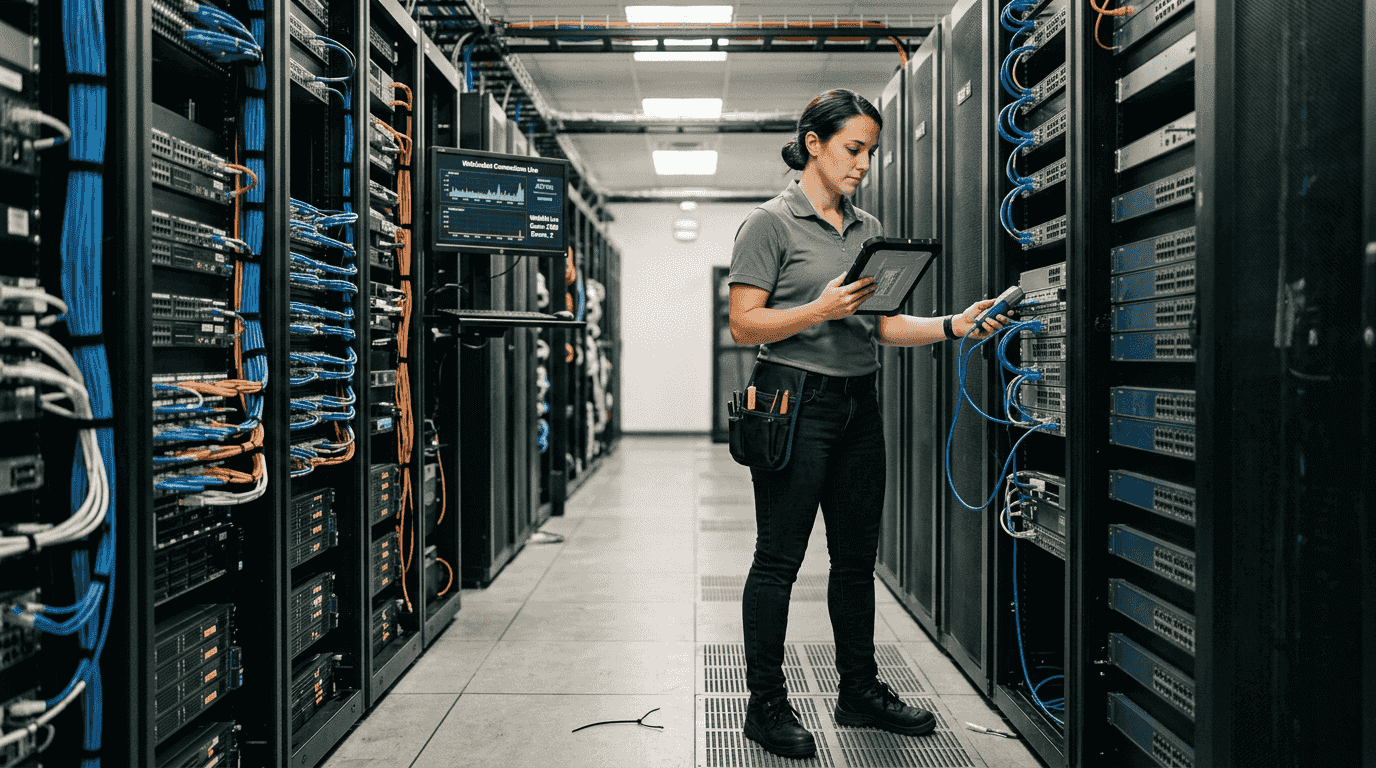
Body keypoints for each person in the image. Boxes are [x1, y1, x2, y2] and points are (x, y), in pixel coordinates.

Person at [727, 88, 1010, 759]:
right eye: (854, 149)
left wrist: (952, 324)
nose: (863, 164)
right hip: (793, 400)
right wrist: (816, 310)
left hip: (859, 403)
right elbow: (745, 324)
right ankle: (765, 706)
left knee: (855, 563)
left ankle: (859, 691)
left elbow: (881, 327)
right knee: (779, 560)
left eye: (871, 153)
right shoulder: (770, 223)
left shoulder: (867, 226)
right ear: (813, 143)